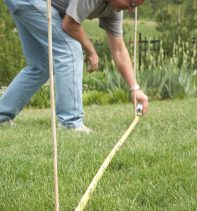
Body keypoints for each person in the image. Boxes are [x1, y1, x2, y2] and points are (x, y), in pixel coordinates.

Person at [0, 0, 148, 133]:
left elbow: (119, 49)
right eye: (131, 3)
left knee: (42, 65)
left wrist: (135, 88)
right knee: (70, 50)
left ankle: (2, 115)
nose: (130, 10)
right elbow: (69, 24)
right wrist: (91, 51)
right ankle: (70, 124)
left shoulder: (114, 9)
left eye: (135, 6)